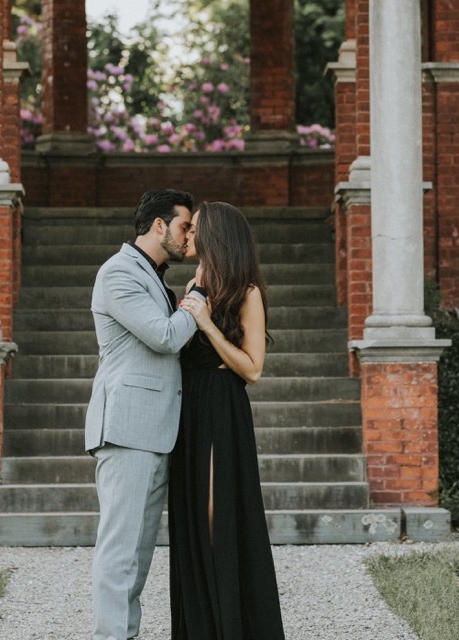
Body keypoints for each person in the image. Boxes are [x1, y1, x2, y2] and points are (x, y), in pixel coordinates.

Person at [86, 189, 200, 640]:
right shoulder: (118, 273)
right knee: (119, 550)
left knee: (139, 550)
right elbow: (165, 337)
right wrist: (201, 293)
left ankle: (124, 634)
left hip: (155, 430)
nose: (188, 235)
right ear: (158, 225)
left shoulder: (155, 277)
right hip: (128, 430)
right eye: (183, 226)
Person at [171, 201, 285, 640]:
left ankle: (232, 627)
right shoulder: (194, 282)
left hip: (222, 405)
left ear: (215, 236)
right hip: (191, 405)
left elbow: (254, 369)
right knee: (193, 515)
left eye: (195, 228)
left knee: (218, 514)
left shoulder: (247, 291)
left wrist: (207, 325)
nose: (188, 235)